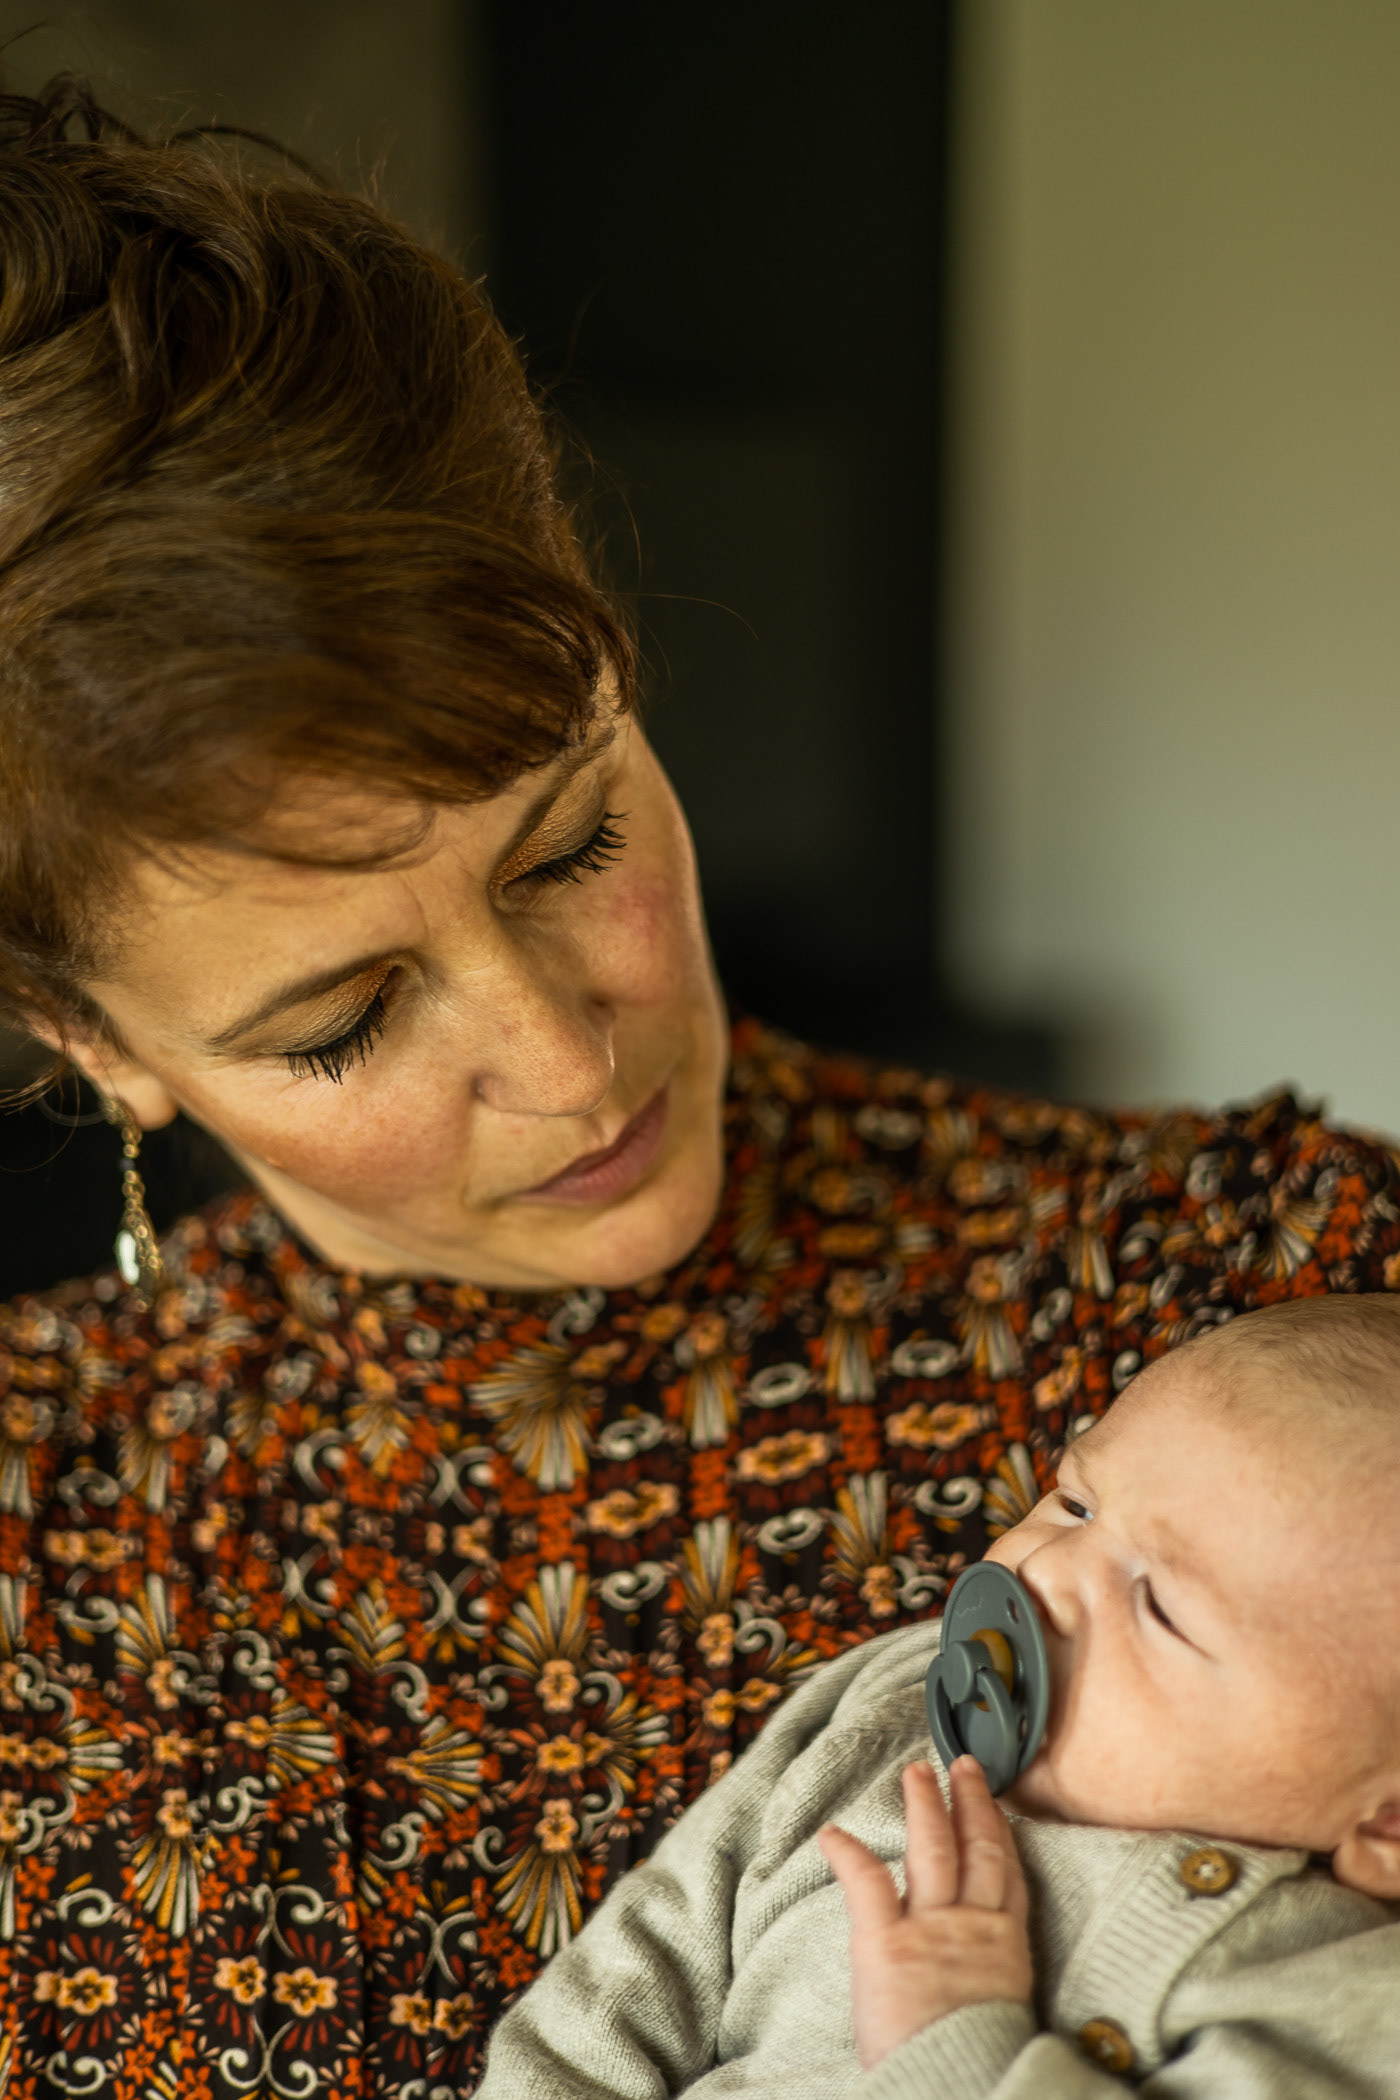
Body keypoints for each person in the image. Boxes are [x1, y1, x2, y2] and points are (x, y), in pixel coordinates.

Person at [0, 70, 1398, 2100]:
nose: (571, 1057)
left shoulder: (1289, 1302)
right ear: (98, 1045)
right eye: (346, 1016)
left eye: (570, 840)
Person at [477, 1294, 1400, 2097]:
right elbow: (649, 1951)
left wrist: (957, 2047)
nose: (1044, 1566)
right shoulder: (891, 1708)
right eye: (1074, 1503)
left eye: (1159, 1606)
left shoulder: (1336, 1985)